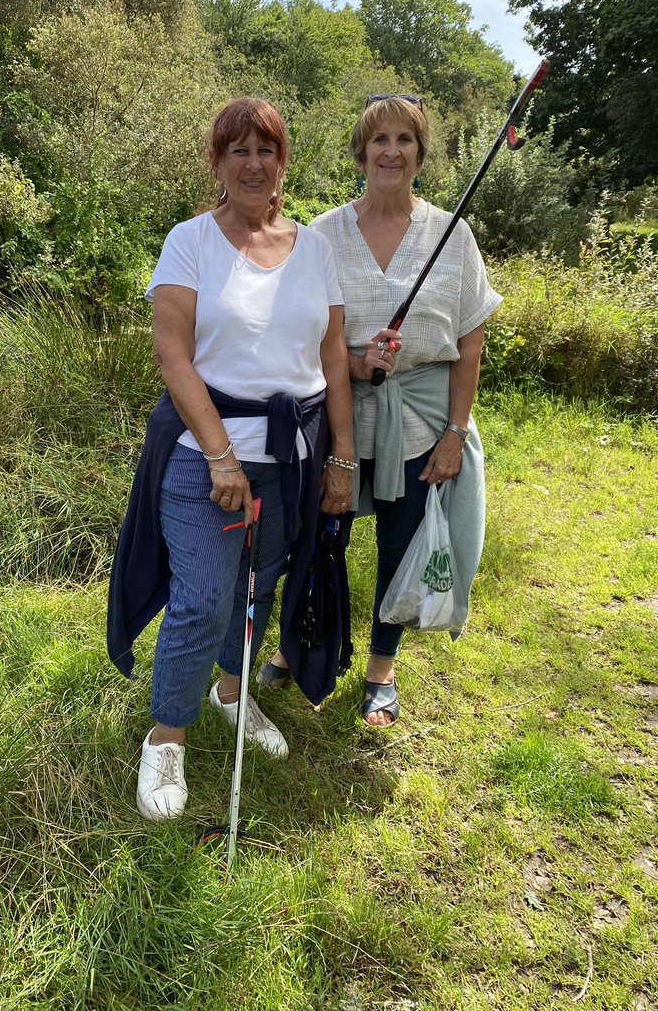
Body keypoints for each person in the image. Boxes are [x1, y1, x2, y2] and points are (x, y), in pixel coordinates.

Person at [107, 97, 355, 821]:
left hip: (295, 458)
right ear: (217, 163)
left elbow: (333, 356)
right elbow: (172, 354)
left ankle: (229, 692)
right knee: (204, 599)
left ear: (283, 163)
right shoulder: (189, 241)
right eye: (238, 151)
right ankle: (166, 737)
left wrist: (342, 458)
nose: (253, 164)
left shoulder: (315, 248)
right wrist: (220, 457)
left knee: (259, 590)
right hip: (202, 457)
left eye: (267, 150)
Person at [259, 93, 501, 727]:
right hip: (334, 410)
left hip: (421, 416)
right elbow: (302, 329)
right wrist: (355, 361)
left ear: (421, 154)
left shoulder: (455, 234)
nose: (391, 152)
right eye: (379, 140)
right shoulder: (322, 234)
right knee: (314, 535)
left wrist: (454, 433)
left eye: (405, 140)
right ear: (361, 152)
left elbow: (470, 340)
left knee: (401, 542)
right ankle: (297, 642)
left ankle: (380, 669)